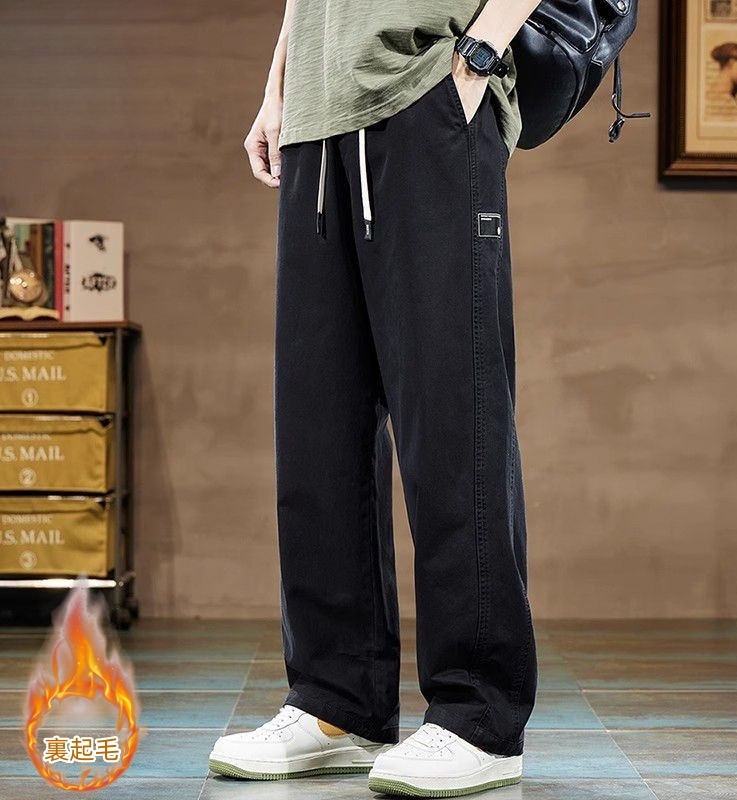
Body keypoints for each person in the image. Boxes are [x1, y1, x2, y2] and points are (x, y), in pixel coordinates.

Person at [208, 1, 541, 795]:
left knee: (453, 418)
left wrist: (480, 55)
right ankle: (336, 703)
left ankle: (480, 717)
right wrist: (279, 84)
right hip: (317, 116)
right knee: (319, 426)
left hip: (426, 89)